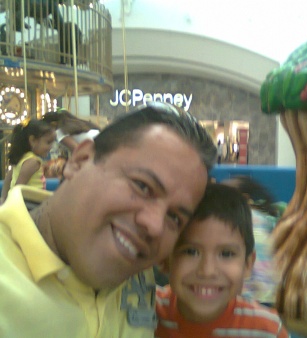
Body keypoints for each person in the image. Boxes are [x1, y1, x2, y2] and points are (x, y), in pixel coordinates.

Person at [0, 102, 217, 338]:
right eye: (142, 186)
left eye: (174, 217)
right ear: (80, 160)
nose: (154, 226)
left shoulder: (140, 275)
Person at [155, 183, 290, 337]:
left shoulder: (268, 331)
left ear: (247, 264)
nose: (207, 271)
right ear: (164, 259)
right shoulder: (144, 311)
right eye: (191, 252)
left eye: (226, 254)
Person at [222, 175, 281, 306]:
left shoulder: (247, 220)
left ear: (244, 199)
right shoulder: (264, 218)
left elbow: (258, 262)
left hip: (256, 293)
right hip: (270, 292)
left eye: (225, 195)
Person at [0, 119, 55, 203]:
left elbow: (8, 178)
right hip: (29, 203)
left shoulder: (22, 158)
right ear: (32, 140)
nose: (51, 147)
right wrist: (8, 201)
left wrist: (3, 197)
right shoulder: (33, 162)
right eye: (48, 142)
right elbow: (18, 187)